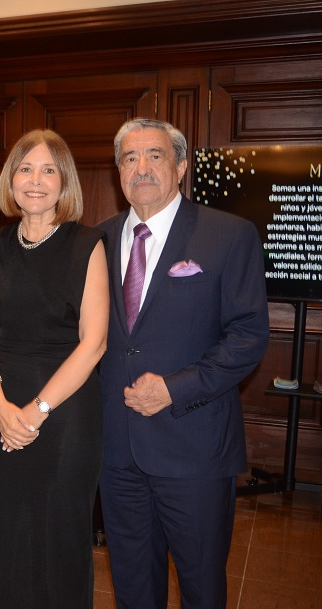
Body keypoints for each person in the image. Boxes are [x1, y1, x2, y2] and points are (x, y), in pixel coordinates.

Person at [97, 118, 269, 609]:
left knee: (201, 588)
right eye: (130, 158)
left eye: (155, 155)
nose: (142, 167)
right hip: (117, 452)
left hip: (194, 447)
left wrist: (176, 388)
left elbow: (248, 336)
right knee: (132, 588)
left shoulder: (228, 235)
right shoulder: (97, 242)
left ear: (181, 167)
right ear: (118, 173)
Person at [0, 129, 109, 608]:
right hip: (3, 409)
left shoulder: (88, 244)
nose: (36, 179)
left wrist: (35, 411)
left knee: (62, 538)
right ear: (10, 182)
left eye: (48, 169)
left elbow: (94, 344)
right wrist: (0, 405)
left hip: (65, 414)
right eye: (25, 169)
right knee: (9, 536)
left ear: (64, 181)